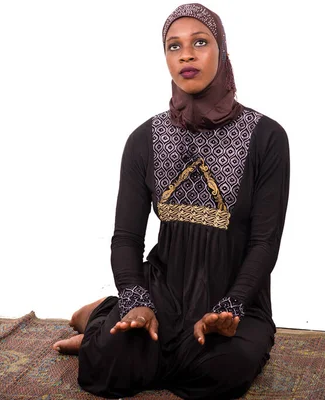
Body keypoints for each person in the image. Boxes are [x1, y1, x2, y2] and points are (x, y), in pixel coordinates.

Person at [52, 3, 290, 399]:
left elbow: (265, 242)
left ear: (222, 50)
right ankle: (102, 320)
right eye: (173, 46)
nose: (187, 55)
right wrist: (135, 300)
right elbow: (126, 238)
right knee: (110, 366)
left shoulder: (267, 138)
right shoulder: (144, 139)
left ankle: (101, 319)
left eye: (200, 42)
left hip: (234, 299)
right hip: (161, 292)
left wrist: (231, 308)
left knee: (220, 373)